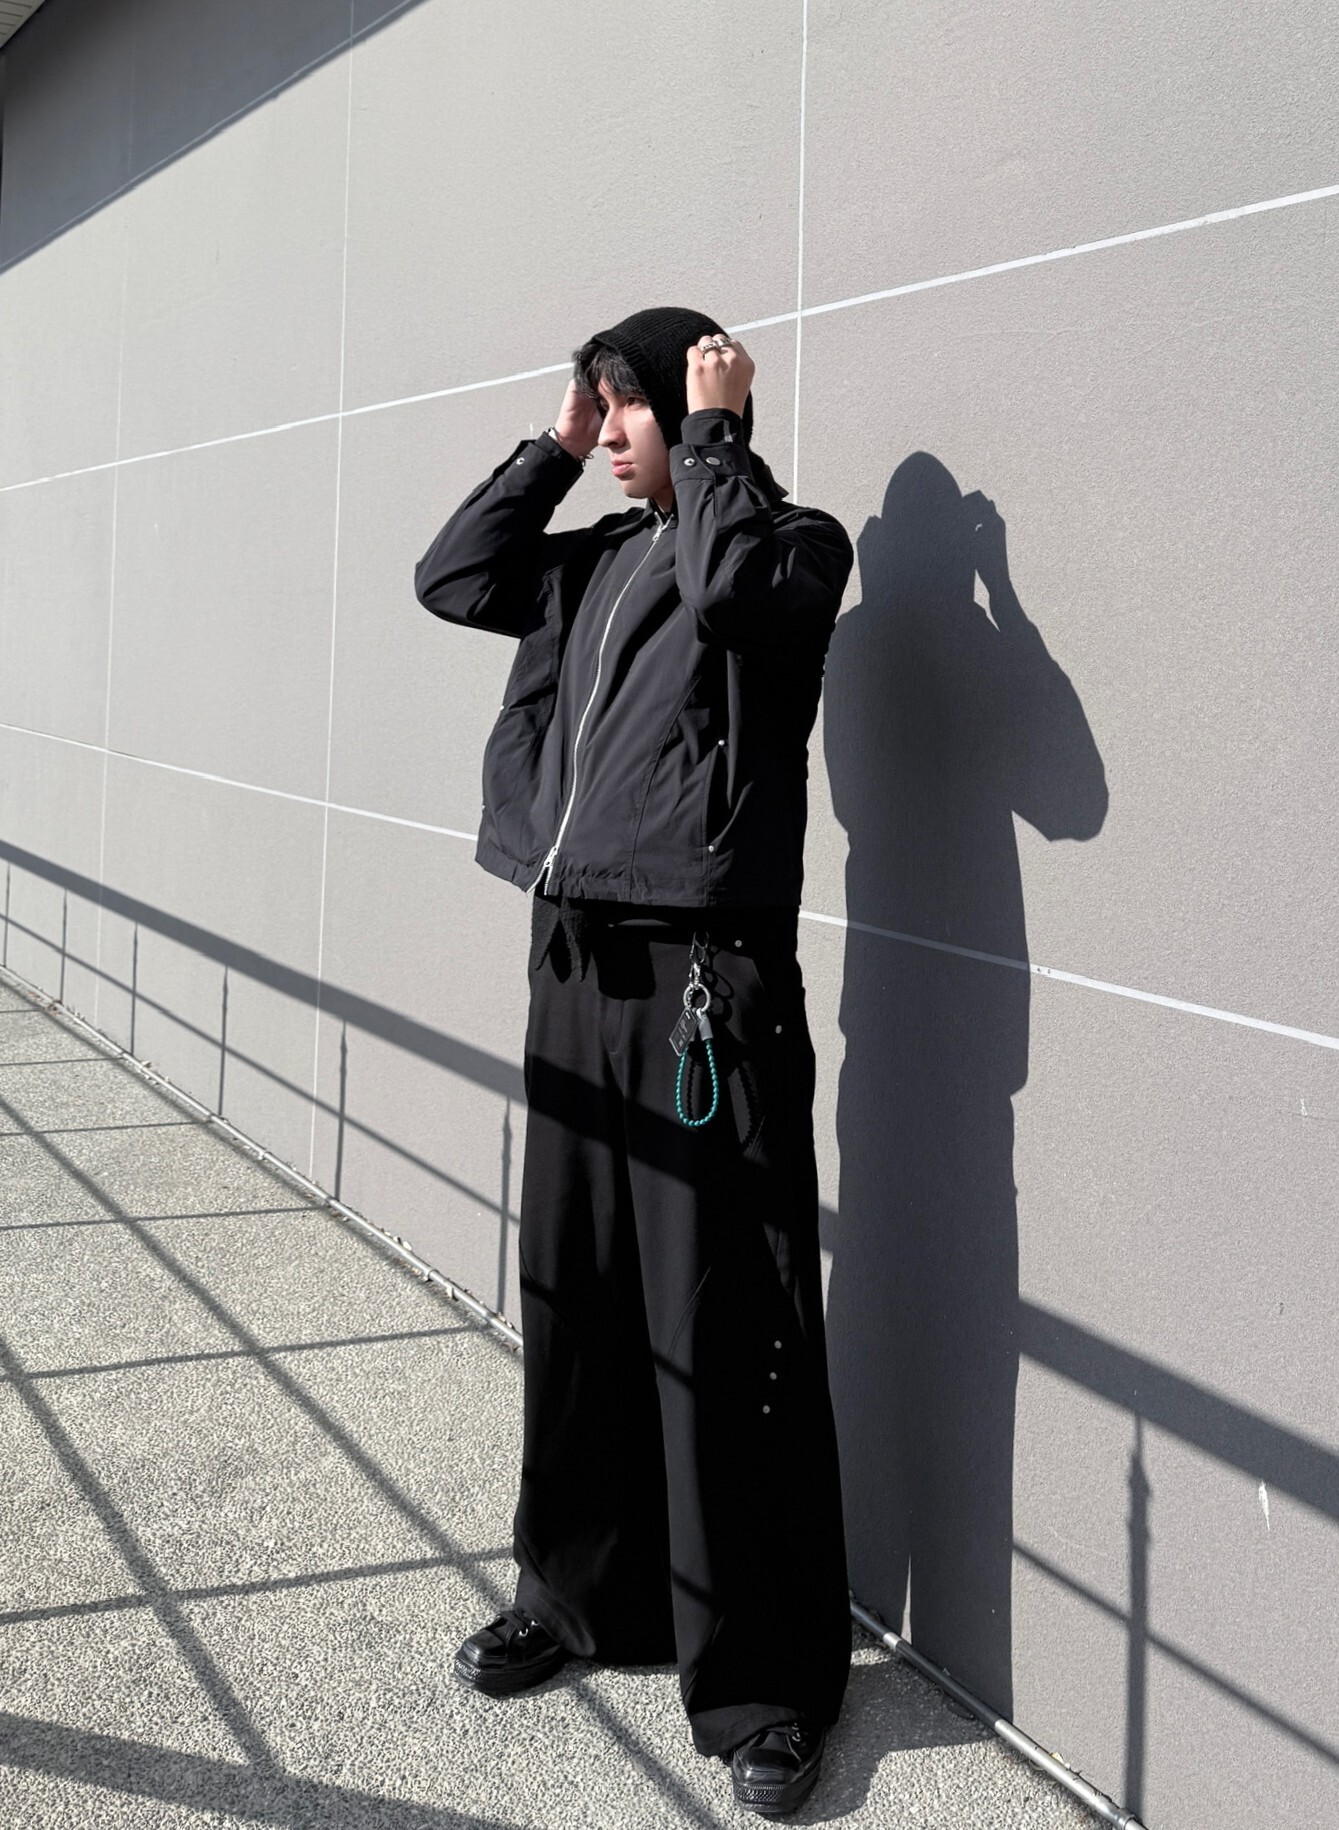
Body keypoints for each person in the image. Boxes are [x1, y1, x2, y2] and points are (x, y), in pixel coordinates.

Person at [413, 306, 853, 1818]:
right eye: (594, 411)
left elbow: (732, 593)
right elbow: (455, 577)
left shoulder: (793, 546)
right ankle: (580, 1593)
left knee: (728, 1325)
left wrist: (719, 438)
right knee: (578, 1302)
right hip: (575, 970)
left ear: (692, 404)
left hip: (703, 989)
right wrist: (546, 445)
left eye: (626, 409)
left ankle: (767, 1681)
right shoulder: (593, 561)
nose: (607, 434)